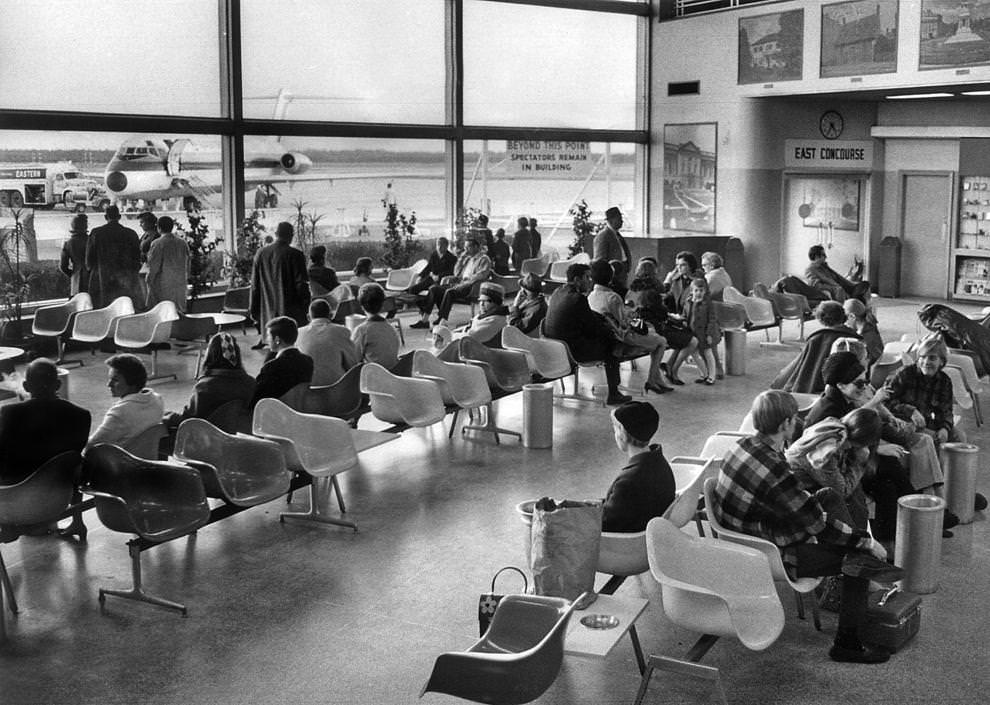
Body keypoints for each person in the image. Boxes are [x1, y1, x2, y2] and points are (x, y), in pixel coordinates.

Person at [712, 390, 904, 664]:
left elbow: (803, 507)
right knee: (858, 560)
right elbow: (818, 524)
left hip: (746, 534)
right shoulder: (775, 470)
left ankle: (855, 569)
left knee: (828, 496)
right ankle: (847, 643)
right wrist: (865, 542)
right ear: (785, 424)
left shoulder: (740, 445)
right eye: (794, 419)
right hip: (769, 551)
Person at [805, 351, 937, 539]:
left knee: (888, 484)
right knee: (889, 472)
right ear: (841, 385)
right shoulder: (828, 411)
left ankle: (899, 532)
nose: (865, 387)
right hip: (831, 475)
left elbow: (853, 443)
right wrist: (874, 452)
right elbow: (836, 462)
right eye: (859, 384)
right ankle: (917, 515)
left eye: (866, 381)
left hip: (845, 463)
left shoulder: (844, 401)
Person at [543, 263, 630, 406]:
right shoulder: (578, 299)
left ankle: (615, 389)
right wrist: (611, 330)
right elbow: (593, 328)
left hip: (555, 346)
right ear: (577, 280)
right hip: (574, 351)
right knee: (611, 344)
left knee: (606, 337)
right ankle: (614, 393)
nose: (591, 281)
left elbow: (585, 317)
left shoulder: (558, 292)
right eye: (587, 277)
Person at [0, 359, 90, 486]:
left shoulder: (10, 412)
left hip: (16, 491)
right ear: (58, 384)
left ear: (26, 386)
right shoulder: (82, 415)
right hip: (59, 490)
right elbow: (73, 456)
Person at [587, 258, 671, 394]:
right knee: (661, 341)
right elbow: (625, 323)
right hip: (622, 337)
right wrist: (631, 314)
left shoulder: (591, 296)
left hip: (603, 338)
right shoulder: (612, 297)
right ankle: (651, 380)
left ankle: (656, 380)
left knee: (653, 336)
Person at [601, 402, 676, 532]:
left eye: (615, 429)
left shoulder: (628, 482)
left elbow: (605, 523)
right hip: (649, 531)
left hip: (620, 544)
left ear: (622, 434)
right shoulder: (660, 462)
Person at [884, 335, 965, 444]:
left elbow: (945, 410)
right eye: (922, 357)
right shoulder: (904, 373)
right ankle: (936, 460)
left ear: (941, 361)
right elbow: (885, 402)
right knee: (931, 438)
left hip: (925, 421)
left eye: (932, 358)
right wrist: (910, 411)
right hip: (901, 422)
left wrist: (944, 428)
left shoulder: (944, 380)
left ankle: (951, 461)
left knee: (958, 436)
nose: (926, 362)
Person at [164, 332, 256, 428]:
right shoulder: (251, 383)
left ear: (210, 354)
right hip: (240, 437)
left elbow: (190, 421)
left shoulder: (205, 387)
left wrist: (168, 416)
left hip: (209, 438)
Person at [771, 301, 861, 394]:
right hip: (845, 389)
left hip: (814, 388)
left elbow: (801, 366)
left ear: (821, 319)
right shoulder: (854, 338)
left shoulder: (815, 338)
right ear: (844, 316)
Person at [249, 221, 310, 347]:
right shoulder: (296, 255)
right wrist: (305, 305)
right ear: (291, 235)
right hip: (291, 311)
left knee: (274, 346)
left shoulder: (261, 254)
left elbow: (255, 285)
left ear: (276, 234)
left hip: (268, 309)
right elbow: (301, 284)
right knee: (291, 345)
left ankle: (267, 343)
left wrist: (253, 309)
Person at [88, 354, 165, 449]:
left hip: (122, 461)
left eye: (115, 380)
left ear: (132, 382)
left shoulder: (120, 413)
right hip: (149, 457)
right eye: (110, 379)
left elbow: (92, 445)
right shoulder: (157, 400)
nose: (109, 384)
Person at [423, 238, 491, 327]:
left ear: (476, 247)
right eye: (465, 247)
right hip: (460, 283)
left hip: (471, 286)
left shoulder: (484, 259)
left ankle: (442, 321)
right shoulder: (468, 259)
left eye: (468, 247)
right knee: (434, 289)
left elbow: (482, 274)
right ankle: (424, 320)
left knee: (450, 292)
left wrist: (467, 281)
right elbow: (456, 273)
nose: (466, 250)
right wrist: (461, 258)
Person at [85, 204, 142, 309]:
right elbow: (137, 259)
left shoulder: (96, 233)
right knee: (124, 306)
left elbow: (89, 261)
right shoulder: (130, 233)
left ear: (106, 217)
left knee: (104, 307)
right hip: (125, 279)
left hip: (102, 277)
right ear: (119, 217)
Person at [251, 316, 314, 407]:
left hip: (276, 414)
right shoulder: (308, 361)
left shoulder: (271, 367)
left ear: (277, 340)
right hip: (300, 411)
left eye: (268, 335)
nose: (267, 339)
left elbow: (256, 399)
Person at [296, 299, 358, 385]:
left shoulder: (298, 333)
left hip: (307, 391)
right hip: (335, 390)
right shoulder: (342, 331)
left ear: (308, 317)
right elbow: (353, 366)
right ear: (331, 315)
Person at [410, 237, 459, 328]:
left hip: (442, 281)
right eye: (438, 245)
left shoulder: (452, 258)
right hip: (431, 278)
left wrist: (439, 277)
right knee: (412, 290)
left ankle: (426, 319)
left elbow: (452, 272)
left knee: (434, 291)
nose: (439, 247)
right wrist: (420, 276)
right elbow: (428, 267)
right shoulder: (434, 255)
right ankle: (424, 310)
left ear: (446, 246)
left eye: (442, 245)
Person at [681, 277, 720, 385]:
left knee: (708, 353)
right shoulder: (688, 302)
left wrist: (709, 334)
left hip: (704, 333)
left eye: (701, 290)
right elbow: (685, 314)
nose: (698, 293)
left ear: (705, 291)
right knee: (694, 353)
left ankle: (712, 376)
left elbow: (712, 319)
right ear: (692, 291)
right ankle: (704, 373)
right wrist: (683, 321)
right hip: (692, 333)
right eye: (696, 290)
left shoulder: (708, 304)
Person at [145, 215, 190, 311]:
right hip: (180, 284)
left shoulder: (158, 243)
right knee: (179, 313)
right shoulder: (182, 243)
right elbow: (188, 263)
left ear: (158, 228)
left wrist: (148, 280)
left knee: (164, 314)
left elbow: (154, 266)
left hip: (163, 286)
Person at [352, 283, 401, 370]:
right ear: (382, 304)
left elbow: (353, 360)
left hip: (374, 377)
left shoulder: (362, 330)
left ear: (362, 306)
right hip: (393, 375)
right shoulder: (391, 328)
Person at [805, 244, 871, 304]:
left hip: (847, 287)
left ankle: (856, 301)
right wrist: (835, 288)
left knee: (865, 284)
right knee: (860, 299)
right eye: (823, 255)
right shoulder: (810, 270)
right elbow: (816, 285)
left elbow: (837, 278)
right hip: (839, 290)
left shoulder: (824, 266)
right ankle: (854, 302)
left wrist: (851, 282)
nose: (826, 257)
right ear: (816, 256)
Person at [454, 282, 509, 347]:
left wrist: (451, 335)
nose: (481, 304)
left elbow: (470, 337)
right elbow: (470, 326)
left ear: (496, 302)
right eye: (480, 300)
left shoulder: (496, 319)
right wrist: (454, 331)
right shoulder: (487, 314)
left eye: (486, 301)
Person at [844, 298, 883, 367]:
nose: (845, 322)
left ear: (852, 316)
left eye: (845, 318)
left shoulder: (862, 338)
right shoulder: (870, 326)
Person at [59, 213, 89, 296]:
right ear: (85, 226)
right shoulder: (91, 241)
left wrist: (73, 274)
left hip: (76, 280)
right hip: (92, 279)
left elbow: (63, 266)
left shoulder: (68, 244)